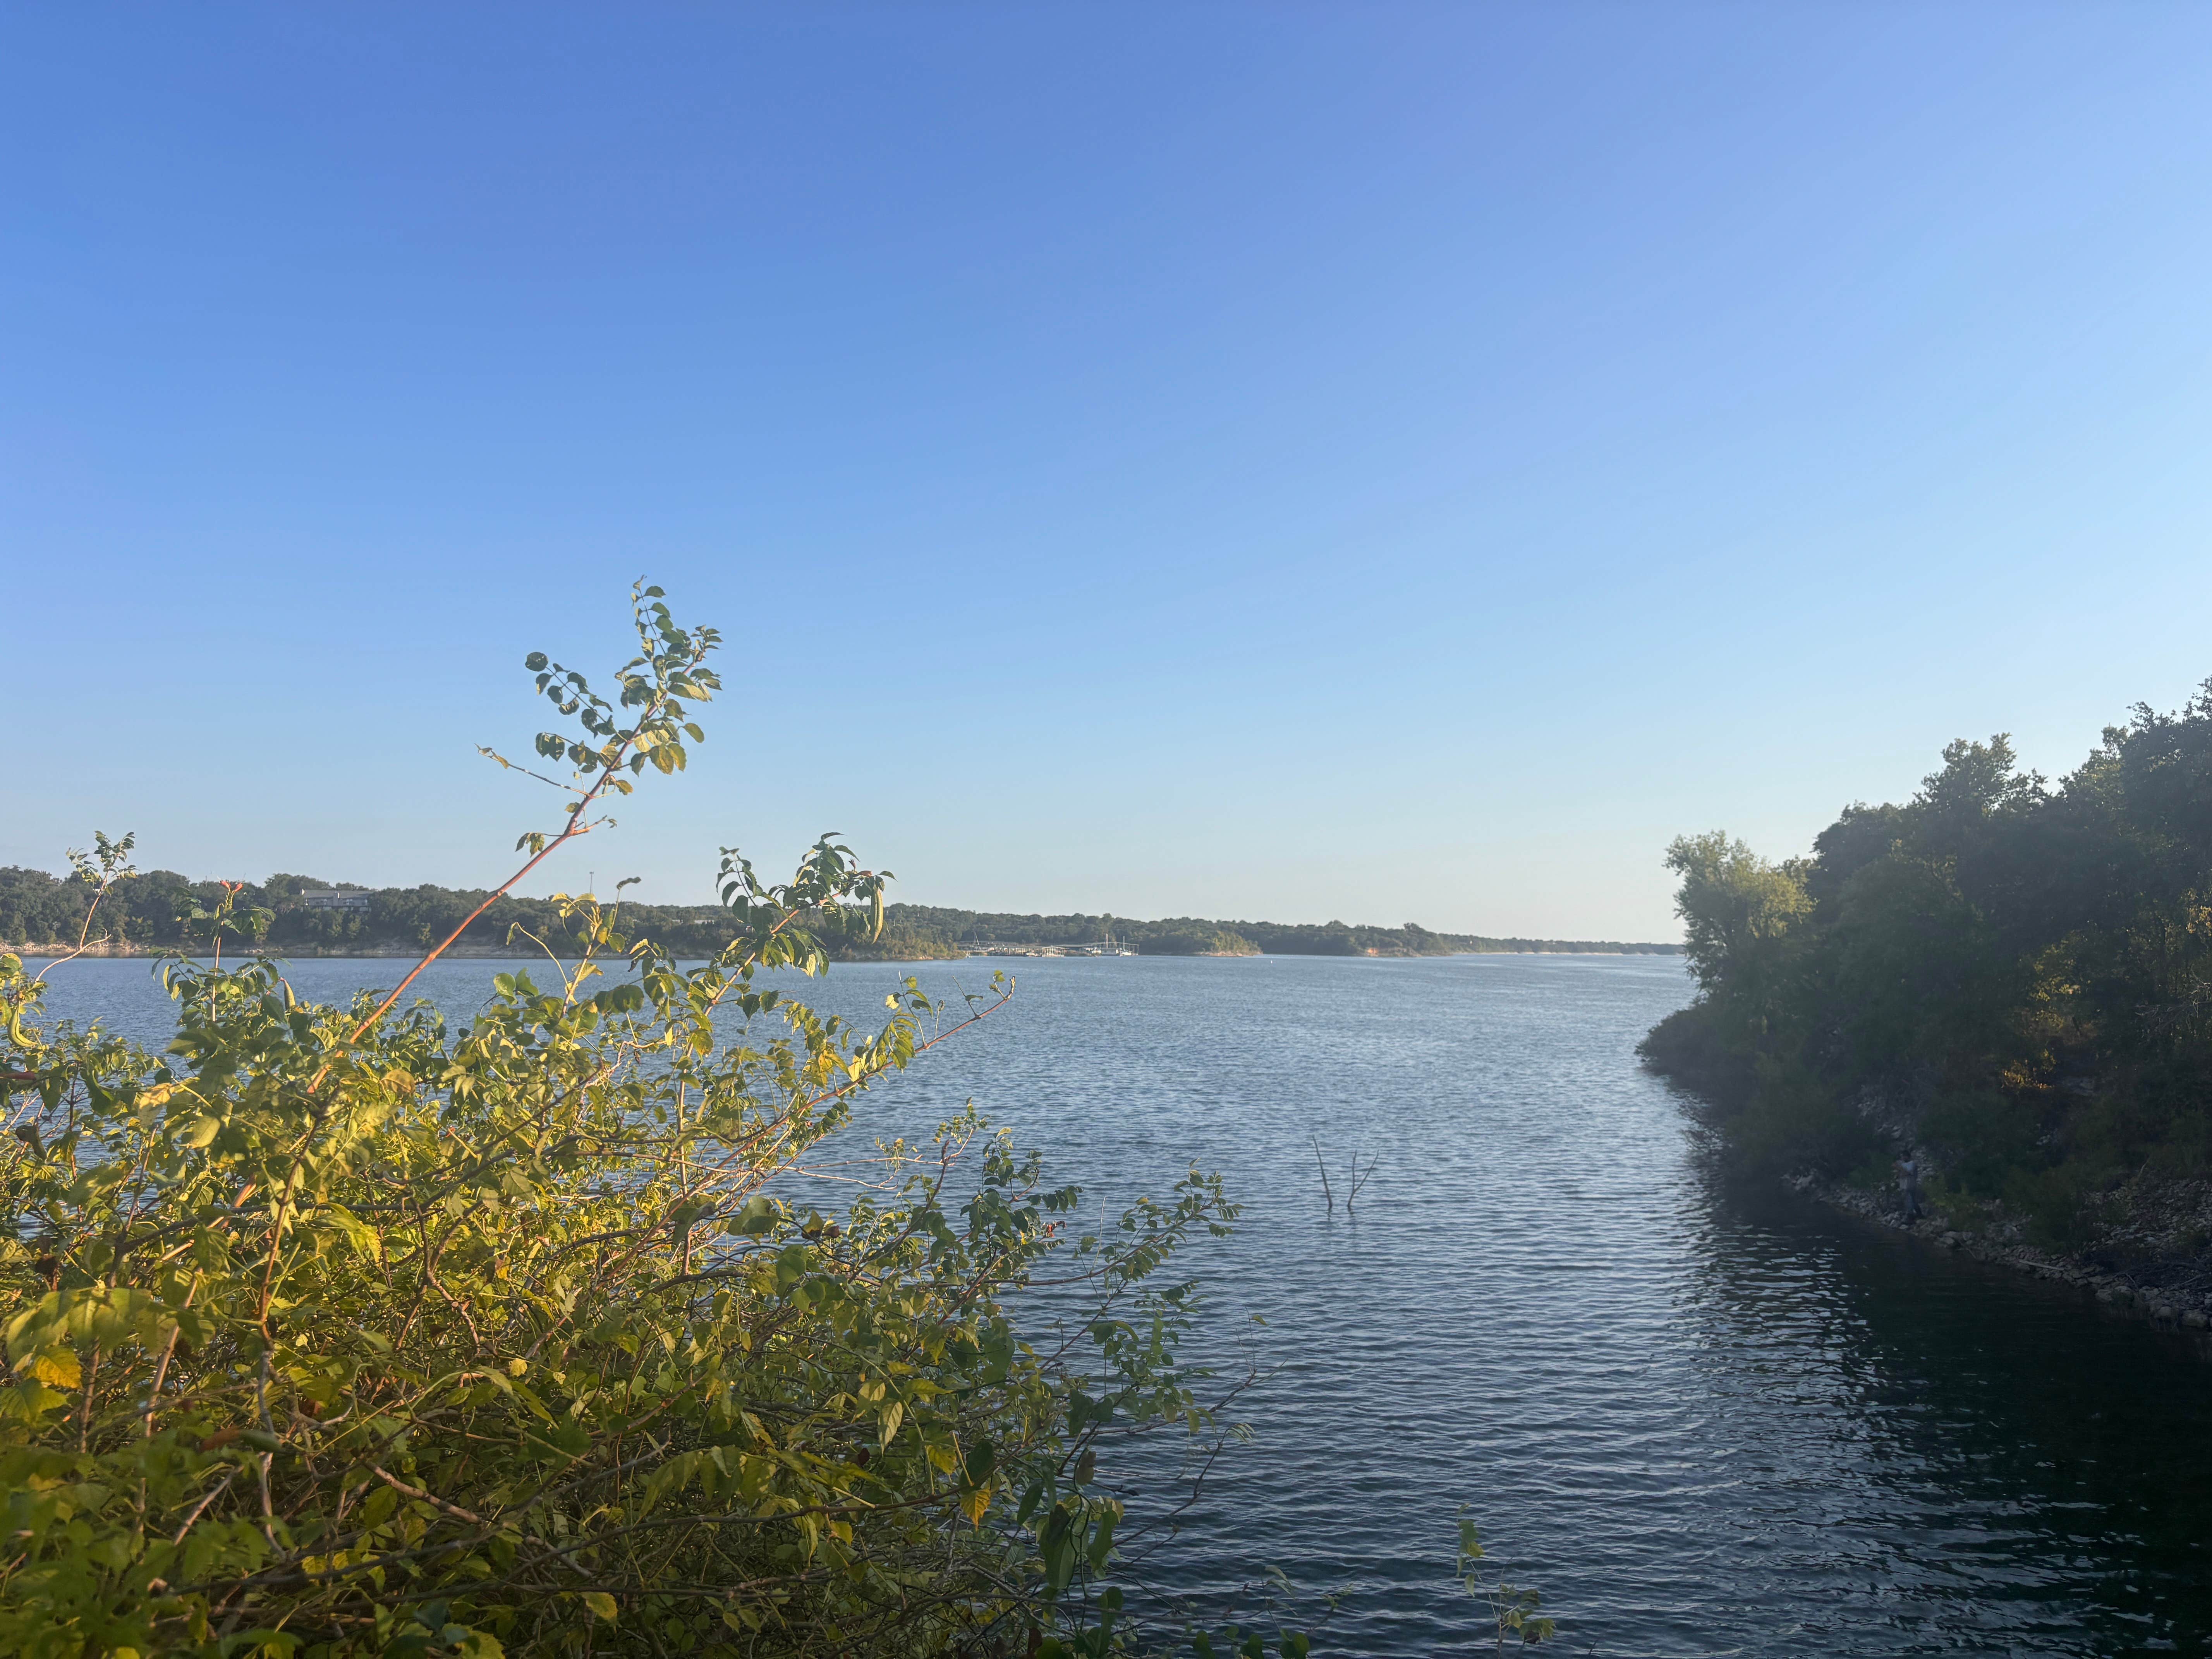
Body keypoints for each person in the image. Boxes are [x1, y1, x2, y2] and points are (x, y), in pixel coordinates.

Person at [1895, 1152, 1924, 1222]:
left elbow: (1909, 1172)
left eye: (1904, 1156)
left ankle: (1911, 1217)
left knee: (1910, 1201)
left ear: (1907, 1157)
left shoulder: (1912, 1163)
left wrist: (1900, 1170)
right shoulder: (1903, 1165)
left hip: (1911, 1185)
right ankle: (1919, 1214)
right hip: (1905, 1186)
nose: (1902, 1158)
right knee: (1913, 1201)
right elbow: (1899, 1175)